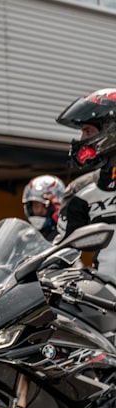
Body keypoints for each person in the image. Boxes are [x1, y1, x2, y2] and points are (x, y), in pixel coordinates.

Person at [56, 88, 116, 281]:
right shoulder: (80, 190)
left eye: (88, 131)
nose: (82, 140)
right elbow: (60, 254)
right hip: (108, 301)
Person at [21, 175, 65, 241]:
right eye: (35, 205)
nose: (38, 210)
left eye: (44, 205)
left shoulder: (66, 233)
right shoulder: (25, 237)